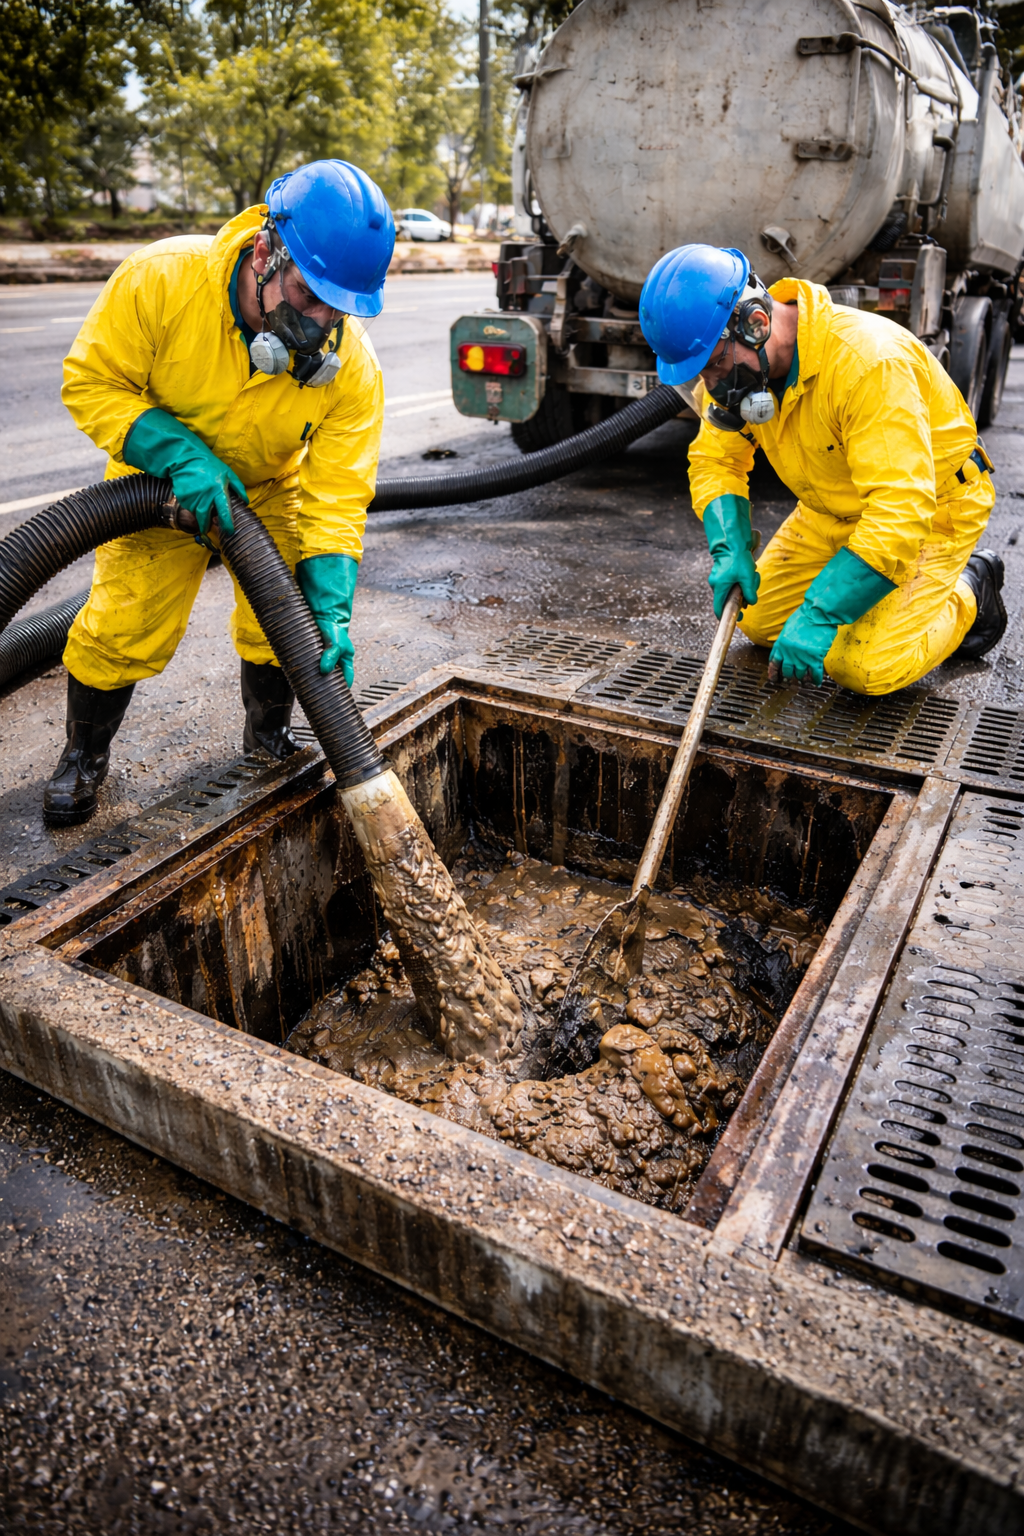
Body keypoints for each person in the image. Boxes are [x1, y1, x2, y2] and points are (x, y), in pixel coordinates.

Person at [47, 158, 395, 825]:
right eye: (308, 294)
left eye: (341, 309)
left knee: (285, 620)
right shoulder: (162, 281)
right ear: (265, 252)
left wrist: (332, 607)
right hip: (159, 479)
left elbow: (338, 491)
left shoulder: (352, 369)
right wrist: (178, 455)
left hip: (269, 485)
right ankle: (82, 756)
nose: (321, 324)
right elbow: (91, 383)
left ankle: (266, 739)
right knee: (123, 621)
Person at [638, 243, 1003, 694]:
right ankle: (865, 583)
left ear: (756, 323)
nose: (713, 387)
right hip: (832, 509)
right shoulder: (747, 369)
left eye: (714, 366)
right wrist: (728, 548)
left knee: (861, 666)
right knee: (755, 620)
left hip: (935, 509)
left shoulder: (868, 365)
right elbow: (717, 459)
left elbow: (901, 509)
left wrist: (820, 613)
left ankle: (971, 591)